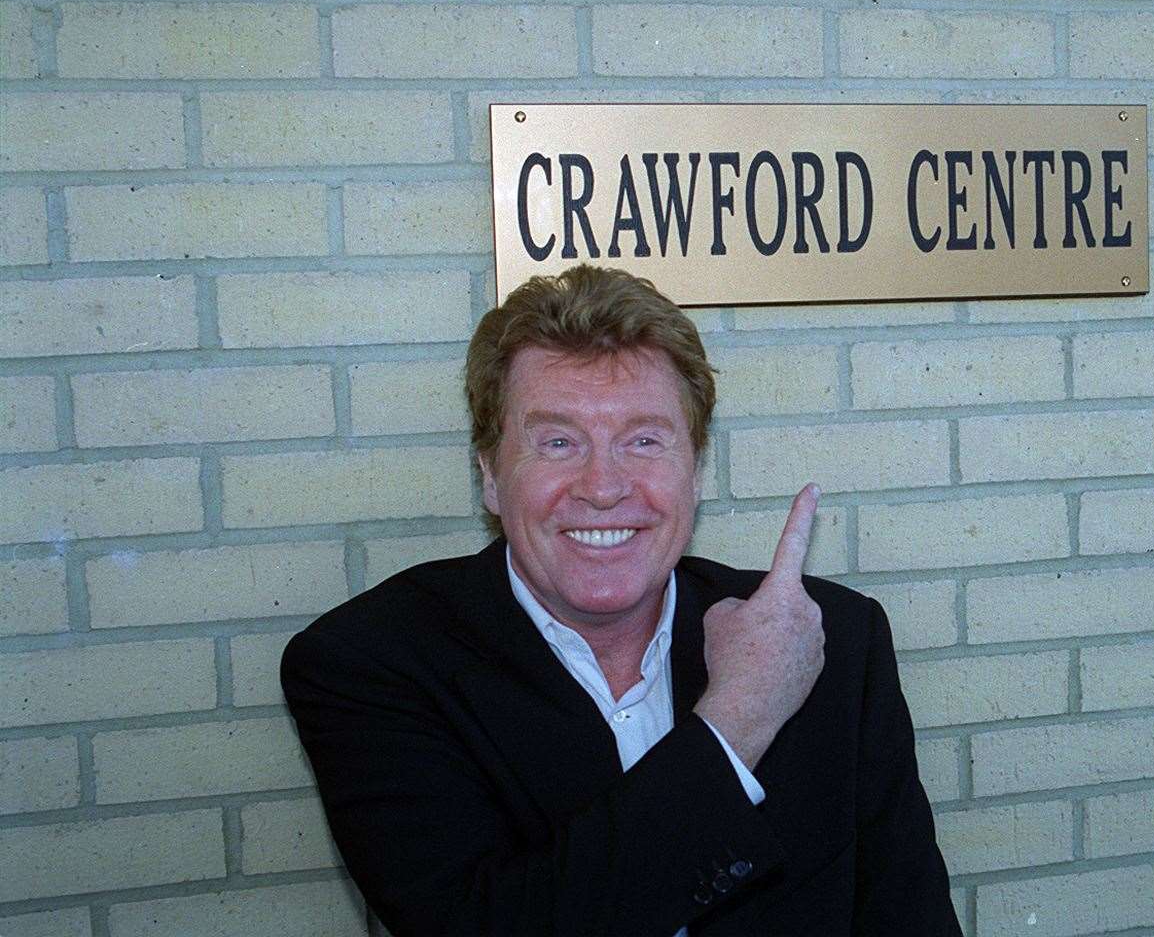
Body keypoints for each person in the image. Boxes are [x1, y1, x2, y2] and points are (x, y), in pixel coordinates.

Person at [282, 264, 961, 936]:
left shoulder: (828, 636)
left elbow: (909, 918)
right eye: (557, 442)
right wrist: (738, 718)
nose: (602, 486)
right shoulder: (370, 664)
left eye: (642, 440)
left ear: (694, 471)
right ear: (489, 476)